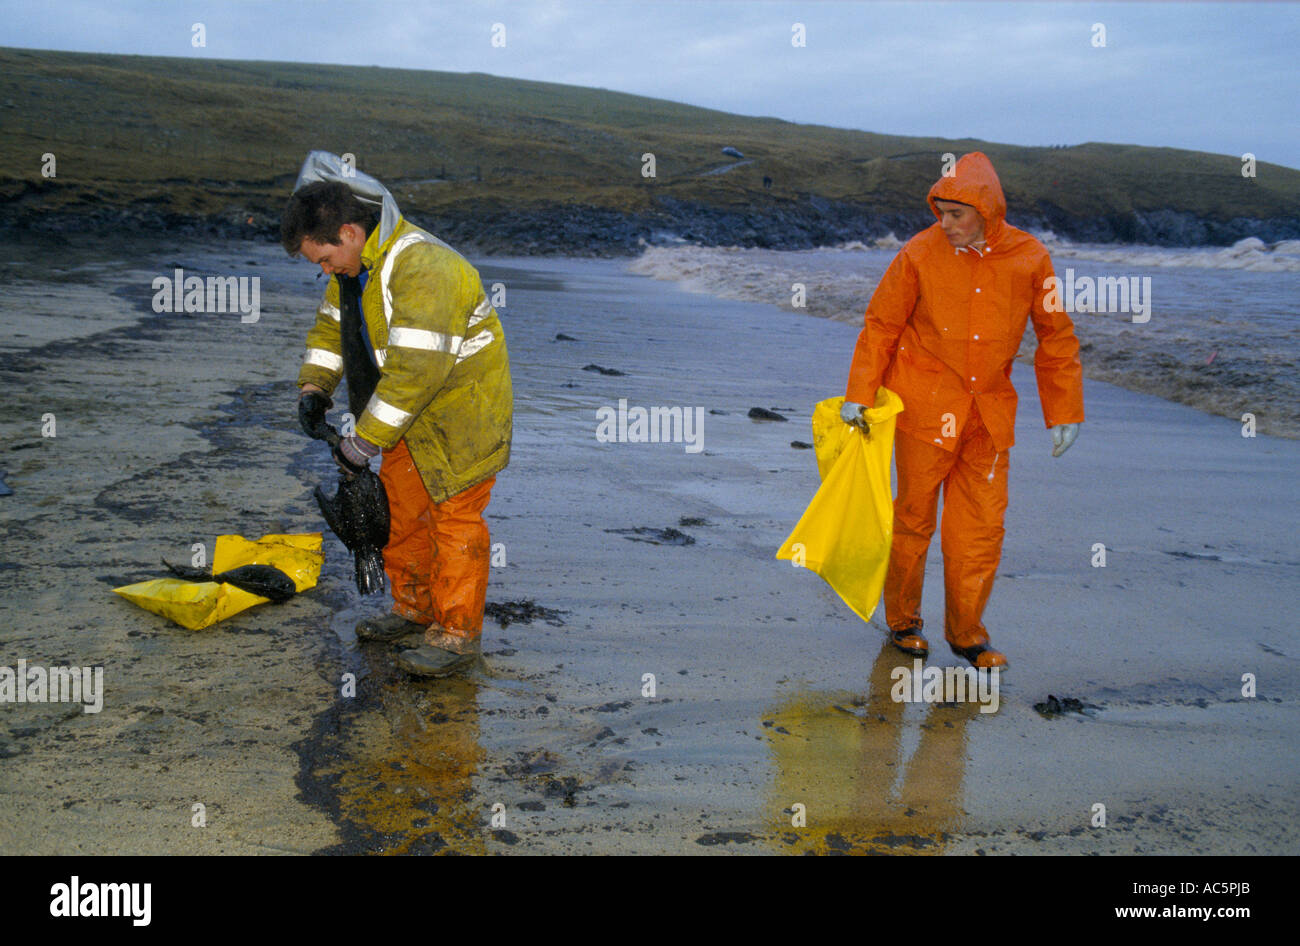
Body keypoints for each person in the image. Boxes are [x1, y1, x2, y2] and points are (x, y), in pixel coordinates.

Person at [841, 151, 1084, 669]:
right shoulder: (919, 253)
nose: (944, 224)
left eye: (956, 214)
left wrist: (1064, 410)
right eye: (940, 212)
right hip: (922, 410)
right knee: (913, 521)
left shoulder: (1029, 256)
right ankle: (903, 622)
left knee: (980, 530)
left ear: (986, 210)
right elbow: (882, 324)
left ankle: (968, 635)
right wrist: (859, 394)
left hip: (988, 417)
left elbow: (1055, 337)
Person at [281, 151, 513, 678]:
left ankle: (456, 636)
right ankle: (414, 613)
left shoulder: (424, 267)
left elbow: (414, 373)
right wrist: (315, 386)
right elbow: (330, 332)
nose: (323, 270)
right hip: (404, 420)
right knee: (405, 515)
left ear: (349, 231)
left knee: (454, 521)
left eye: (323, 259)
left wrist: (361, 442)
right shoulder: (353, 272)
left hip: (460, 418)